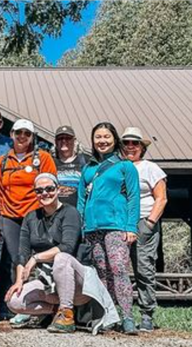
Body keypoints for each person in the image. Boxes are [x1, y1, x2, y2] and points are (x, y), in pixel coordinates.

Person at [5, 173, 120, 333]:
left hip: (77, 280)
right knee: (14, 301)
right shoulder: (31, 217)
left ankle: (66, 313)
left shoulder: (70, 213)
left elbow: (68, 246)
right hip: (48, 280)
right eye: (39, 191)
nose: (45, 193)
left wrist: (36, 258)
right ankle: (55, 311)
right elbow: (22, 253)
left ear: (58, 190)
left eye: (49, 188)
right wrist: (18, 281)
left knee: (61, 258)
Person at [77, 122, 140, 335]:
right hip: (93, 228)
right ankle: (108, 314)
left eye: (106, 137)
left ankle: (128, 316)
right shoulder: (88, 168)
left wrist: (131, 226)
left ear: (114, 139)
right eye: (98, 137)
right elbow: (81, 200)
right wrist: (82, 226)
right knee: (102, 272)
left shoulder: (125, 166)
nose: (102, 141)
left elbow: (133, 197)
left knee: (119, 269)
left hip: (117, 226)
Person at [0, 119, 57, 321]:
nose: (22, 137)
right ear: (11, 134)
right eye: (18, 133)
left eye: (27, 134)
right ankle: (14, 305)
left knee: (39, 257)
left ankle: (41, 304)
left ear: (32, 137)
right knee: (15, 260)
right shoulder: (3, 161)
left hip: (35, 214)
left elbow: (50, 185)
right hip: (10, 216)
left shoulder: (43, 158)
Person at [121, 127, 168, 332]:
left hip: (143, 221)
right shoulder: (118, 167)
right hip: (120, 222)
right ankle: (122, 314)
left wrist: (150, 222)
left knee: (143, 267)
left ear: (142, 147)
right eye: (126, 143)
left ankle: (147, 313)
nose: (131, 147)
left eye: (135, 143)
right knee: (117, 268)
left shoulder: (151, 168)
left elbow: (161, 197)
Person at [52, 125, 88, 206]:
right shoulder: (50, 162)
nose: (64, 141)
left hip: (78, 211)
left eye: (68, 138)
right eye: (60, 138)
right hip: (56, 212)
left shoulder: (85, 161)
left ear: (74, 140)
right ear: (55, 141)